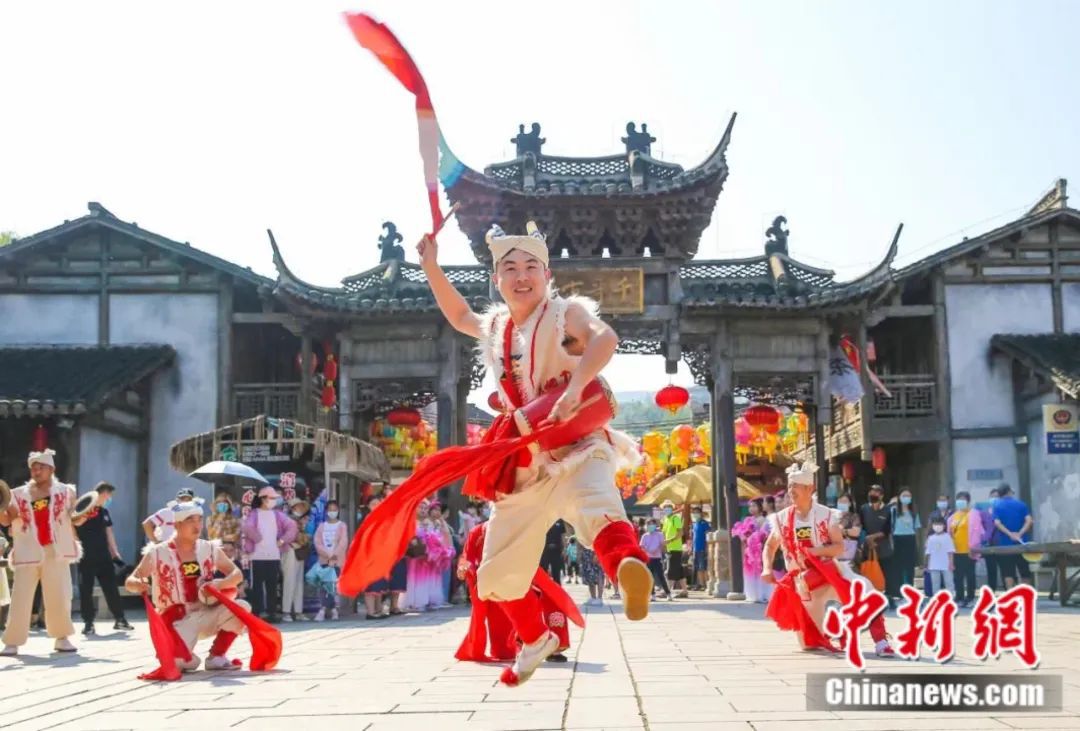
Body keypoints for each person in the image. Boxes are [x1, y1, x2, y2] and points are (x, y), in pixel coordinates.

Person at [124, 499, 273, 675]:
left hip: (206, 611)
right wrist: (137, 584)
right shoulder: (158, 552)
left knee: (242, 607)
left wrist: (220, 584)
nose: (197, 525)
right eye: (190, 520)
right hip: (176, 620)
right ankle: (185, 655)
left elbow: (237, 574)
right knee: (181, 664)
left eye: (199, 520)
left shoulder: (209, 548)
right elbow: (131, 580)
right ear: (177, 525)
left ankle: (217, 656)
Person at [762, 462, 895, 658]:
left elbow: (839, 546)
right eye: (789, 486)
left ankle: (881, 641)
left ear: (809, 488)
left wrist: (814, 551)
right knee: (810, 645)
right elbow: (770, 546)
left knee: (864, 589)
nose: (791, 491)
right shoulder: (781, 518)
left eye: (795, 486)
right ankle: (839, 630)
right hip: (802, 581)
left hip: (828, 572)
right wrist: (767, 568)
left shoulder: (826, 514)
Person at [456, 520, 581, 664]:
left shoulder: (516, 525)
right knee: (503, 642)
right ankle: (526, 643)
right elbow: (468, 557)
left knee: (551, 596)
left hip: (518, 574)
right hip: (488, 579)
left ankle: (554, 647)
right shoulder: (478, 532)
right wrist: (464, 568)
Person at [0, 450, 80, 656]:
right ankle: (12, 641)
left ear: (52, 469)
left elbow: (75, 517)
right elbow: (6, 520)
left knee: (59, 595)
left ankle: (62, 638)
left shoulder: (66, 492)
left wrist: (82, 516)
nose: (36, 471)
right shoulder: (16, 494)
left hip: (55, 550)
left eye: (40, 467)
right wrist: (3, 510)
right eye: (33, 468)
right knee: (20, 597)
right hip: (27, 549)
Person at [73, 482, 132, 635]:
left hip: (103, 556)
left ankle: (120, 619)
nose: (109, 498)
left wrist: (115, 554)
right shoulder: (80, 509)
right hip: (86, 556)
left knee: (111, 588)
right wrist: (87, 512)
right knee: (86, 589)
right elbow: (76, 523)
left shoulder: (104, 512)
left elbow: (109, 533)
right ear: (103, 493)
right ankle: (88, 623)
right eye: (109, 495)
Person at [241, 486, 297, 621]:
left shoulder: (277, 514)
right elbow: (246, 527)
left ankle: (271, 613)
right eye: (271, 498)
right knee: (257, 586)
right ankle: (257, 612)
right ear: (263, 499)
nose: (274, 501)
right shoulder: (254, 514)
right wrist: (257, 538)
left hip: (274, 555)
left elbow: (292, 526)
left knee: (272, 585)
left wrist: (283, 540)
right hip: (257, 556)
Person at [858, 484, 896, 607]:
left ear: (881, 496)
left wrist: (872, 537)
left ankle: (888, 600)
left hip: (884, 548)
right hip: (868, 549)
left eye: (876, 492)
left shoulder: (888, 510)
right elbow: (861, 527)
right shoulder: (864, 509)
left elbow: (887, 529)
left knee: (886, 575)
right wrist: (867, 540)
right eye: (871, 492)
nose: (873, 494)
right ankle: (869, 601)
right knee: (867, 575)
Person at [991, 484, 1033, 589]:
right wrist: (1019, 534)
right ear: (1009, 491)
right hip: (1022, 543)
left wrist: (1010, 534)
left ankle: (1010, 594)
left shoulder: (997, 506)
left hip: (1005, 544)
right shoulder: (1021, 504)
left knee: (1008, 572)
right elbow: (1029, 521)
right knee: (1024, 571)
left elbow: (997, 523)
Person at [313, 500, 348, 621]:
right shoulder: (321, 526)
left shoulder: (342, 525)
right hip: (324, 560)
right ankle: (332, 610)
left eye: (335, 509)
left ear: (338, 511)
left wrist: (334, 555)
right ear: (326, 511)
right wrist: (328, 554)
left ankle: (323, 610)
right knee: (324, 585)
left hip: (337, 560)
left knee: (331, 585)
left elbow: (343, 542)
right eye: (330, 509)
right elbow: (317, 542)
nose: (332, 512)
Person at [947, 490, 984, 608]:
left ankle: (970, 597)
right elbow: (949, 534)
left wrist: (973, 548)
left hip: (969, 551)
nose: (960, 502)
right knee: (957, 576)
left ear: (968, 501)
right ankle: (959, 597)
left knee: (970, 575)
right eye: (958, 499)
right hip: (956, 551)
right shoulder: (953, 517)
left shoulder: (973, 514)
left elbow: (977, 532)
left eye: (963, 499)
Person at [733, 499, 769, 603]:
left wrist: (753, 537)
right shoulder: (748, 520)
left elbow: (764, 535)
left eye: (754, 506)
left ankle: (761, 594)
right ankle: (752, 594)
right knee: (750, 572)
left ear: (760, 507)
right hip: (749, 550)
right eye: (750, 506)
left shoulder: (763, 519)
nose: (751, 508)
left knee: (759, 571)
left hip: (759, 549)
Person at [281, 499, 311, 622]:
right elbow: (283, 537)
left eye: (302, 507)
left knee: (298, 582)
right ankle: (286, 611)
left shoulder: (302, 521)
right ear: (293, 508)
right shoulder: (286, 520)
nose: (301, 509)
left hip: (300, 552)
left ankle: (298, 611)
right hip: (290, 551)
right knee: (289, 581)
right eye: (299, 506)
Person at [888, 487, 921, 594]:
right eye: (904, 495)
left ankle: (909, 589)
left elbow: (916, 529)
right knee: (898, 567)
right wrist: (891, 543)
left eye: (908, 496)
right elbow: (890, 529)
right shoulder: (893, 511)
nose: (906, 498)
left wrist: (917, 544)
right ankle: (899, 590)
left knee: (909, 567)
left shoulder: (913, 512)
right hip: (897, 539)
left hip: (910, 539)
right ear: (899, 497)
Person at [660, 501, 688, 598]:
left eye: (669, 508)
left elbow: (680, 533)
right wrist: (664, 544)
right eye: (665, 508)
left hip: (675, 548)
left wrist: (670, 540)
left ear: (672, 509)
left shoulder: (675, 518)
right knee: (679, 571)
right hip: (669, 548)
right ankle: (684, 591)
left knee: (670, 570)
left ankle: (667, 591)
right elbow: (664, 533)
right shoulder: (665, 519)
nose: (667, 510)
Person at [639, 519, 672, 600]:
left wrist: (660, 550)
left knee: (661, 576)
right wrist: (648, 550)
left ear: (655, 525)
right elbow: (641, 546)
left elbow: (662, 545)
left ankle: (668, 594)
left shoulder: (659, 535)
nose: (650, 526)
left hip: (657, 558)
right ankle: (652, 595)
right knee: (649, 577)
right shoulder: (644, 536)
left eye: (652, 524)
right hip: (648, 559)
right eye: (649, 524)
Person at [924, 515, 956, 595]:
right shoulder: (930, 538)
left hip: (946, 564)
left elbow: (950, 551)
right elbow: (928, 553)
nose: (937, 526)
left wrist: (951, 563)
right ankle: (936, 599)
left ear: (944, 525)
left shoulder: (947, 537)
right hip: (934, 565)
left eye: (939, 524)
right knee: (935, 584)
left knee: (949, 582)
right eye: (935, 524)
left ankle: (950, 597)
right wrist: (927, 564)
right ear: (932, 526)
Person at [690, 506, 711, 591]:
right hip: (696, 549)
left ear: (701, 513)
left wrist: (707, 548)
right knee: (698, 568)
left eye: (697, 512)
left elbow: (708, 536)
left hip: (703, 548)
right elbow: (694, 537)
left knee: (703, 567)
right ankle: (701, 584)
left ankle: (706, 584)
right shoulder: (694, 524)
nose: (695, 514)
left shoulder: (704, 523)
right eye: (694, 513)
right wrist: (692, 548)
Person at [541, 520, 566, 585]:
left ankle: (557, 589)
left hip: (557, 550)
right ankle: (543, 589)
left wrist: (564, 549)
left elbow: (563, 535)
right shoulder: (543, 518)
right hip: (545, 550)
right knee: (543, 571)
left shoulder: (560, 520)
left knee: (556, 572)